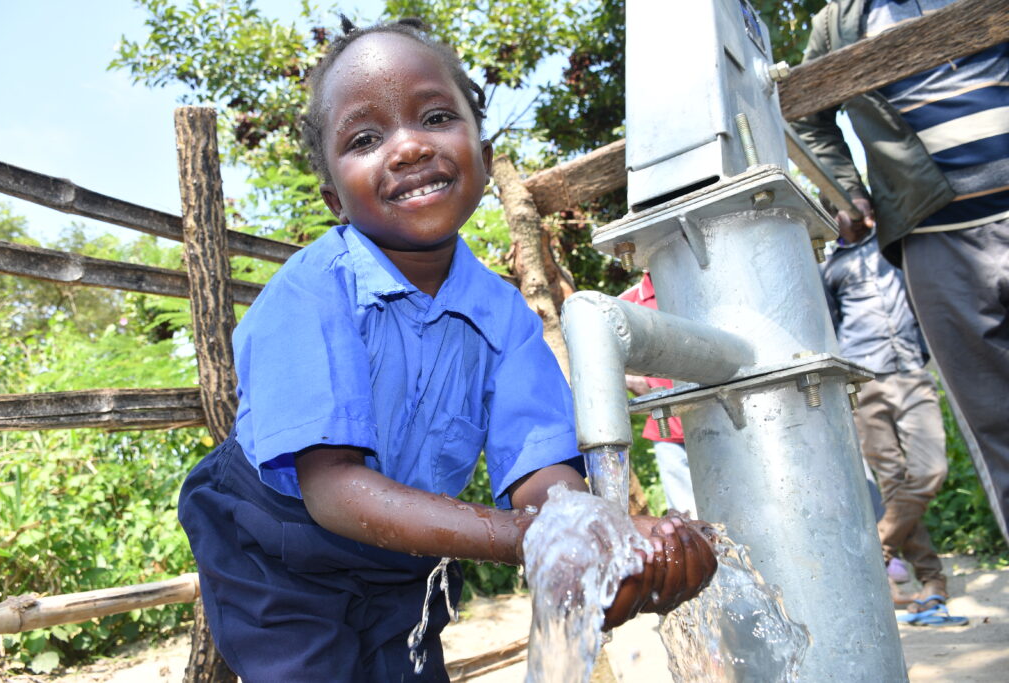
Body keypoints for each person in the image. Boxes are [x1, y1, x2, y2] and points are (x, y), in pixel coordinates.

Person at [177, 17, 718, 681]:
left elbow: (544, 475)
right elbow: (334, 490)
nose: (406, 148)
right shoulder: (311, 293)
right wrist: (538, 539)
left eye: (434, 116)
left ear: (484, 159)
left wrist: (593, 537)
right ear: (333, 198)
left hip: (401, 549)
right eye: (366, 137)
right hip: (276, 543)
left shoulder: (506, 321)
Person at [793, 0, 1009, 547]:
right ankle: (906, 565)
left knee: (929, 467)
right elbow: (801, 107)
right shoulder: (838, 22)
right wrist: (846, 188)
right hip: (936, 235)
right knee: (997, 427)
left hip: (907, 366)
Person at [822, 221, 950, 614]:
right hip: (866, 379)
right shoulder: (828, 266)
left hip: (910, 369)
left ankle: (877, 548)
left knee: (931, 470)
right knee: (892, 483)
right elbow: (829, 324)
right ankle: (932, 580)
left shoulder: (895, 245)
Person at [620, 272, 697, 516]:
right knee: (688, 517)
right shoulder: (627, 304)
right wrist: (635, 380)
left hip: (716, 419)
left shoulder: (699, 287)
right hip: (668, 429)